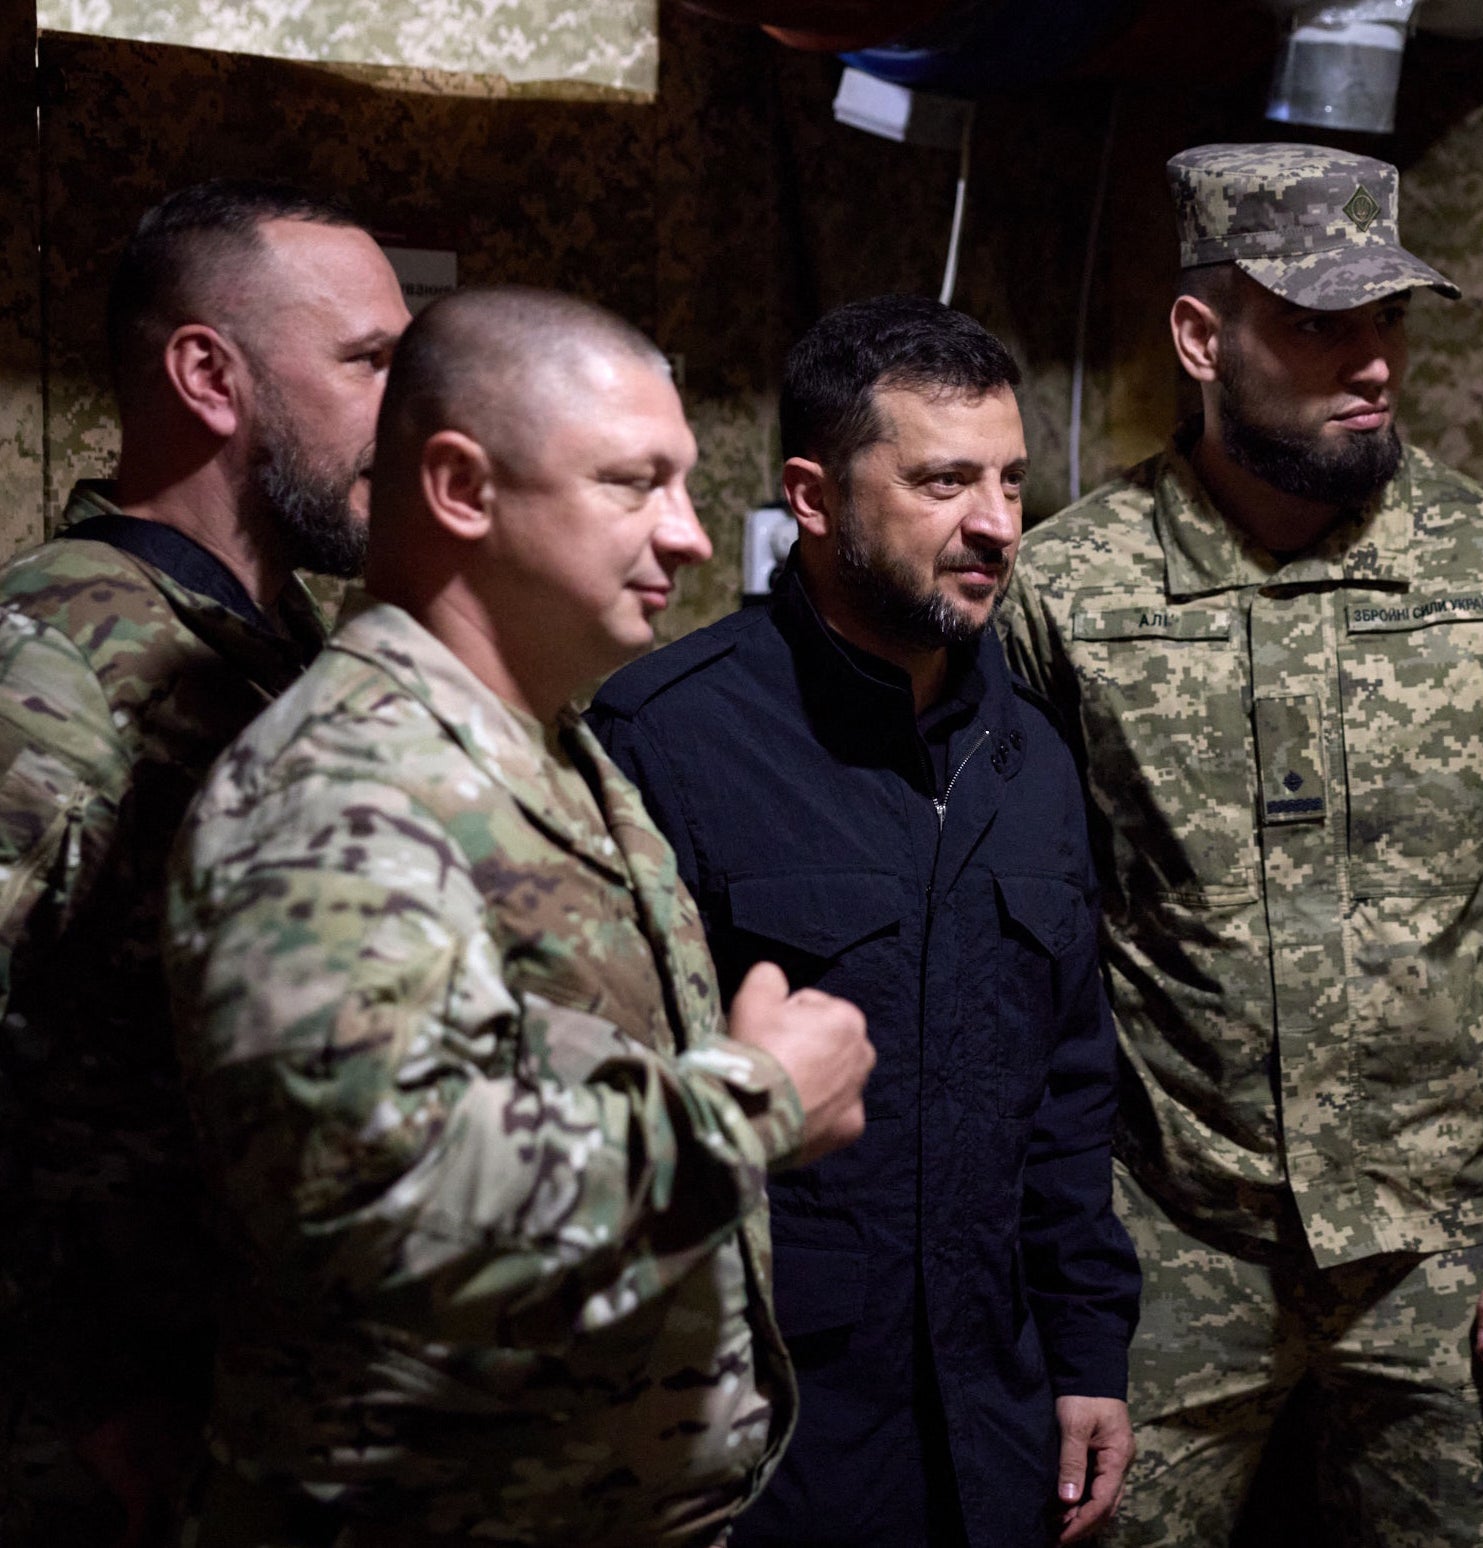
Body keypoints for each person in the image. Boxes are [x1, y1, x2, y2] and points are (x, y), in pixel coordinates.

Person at [996, 144, 1483, 1547]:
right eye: (1317, 324)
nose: (1370, 363)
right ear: (1200, 336)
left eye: (1388, 321)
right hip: (1169, 1239)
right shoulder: (1066, 592)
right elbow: (1017, 948)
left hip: (1451, 1240)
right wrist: (1050, 1263)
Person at [165, 286, 876, 1547]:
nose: (693, 536)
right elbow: (378, 1208)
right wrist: (755, 1100)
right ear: (460, 486)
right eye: (631, 483)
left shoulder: (554, 747)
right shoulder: (345, 789)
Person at [588, 294, 1141, 1548]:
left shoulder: (1033, 758)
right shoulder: (664, 738)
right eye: (945, 481)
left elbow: (1065, 1090)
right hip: (773, 1431)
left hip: (994, 1419)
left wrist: (1088, 1351)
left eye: (1008, 480)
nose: (997, 524)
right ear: (815, 496)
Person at [0, 180, 407, 1546]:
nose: (413, 409)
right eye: (370, 363)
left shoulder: (288, 647)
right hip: (101, 1461)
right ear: (208, 376)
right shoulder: (56, 660)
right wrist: (95, 1392)